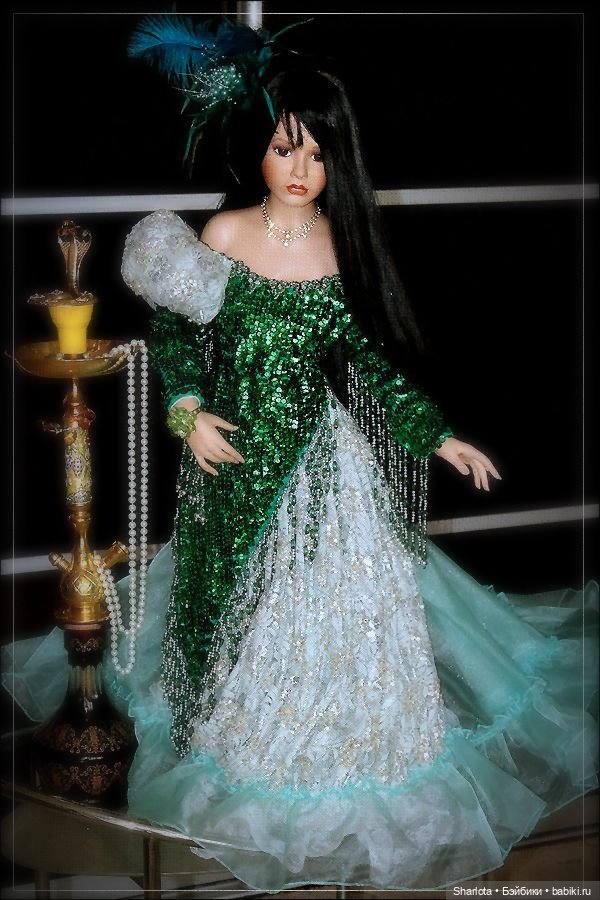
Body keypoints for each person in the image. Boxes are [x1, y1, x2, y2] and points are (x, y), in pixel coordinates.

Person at [3, 31, 597, 895]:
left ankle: (346, 745)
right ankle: (235, 728)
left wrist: (435, 434)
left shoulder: (335, 245)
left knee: (347, 610)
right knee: (227, 606)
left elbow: (365, 362)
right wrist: (186, 412)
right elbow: (176, 335)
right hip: (233, 460)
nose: (301, 169)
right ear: (258, 148)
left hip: (322, 466)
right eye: (286, 148)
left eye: (319, 155)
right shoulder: (226, 233)